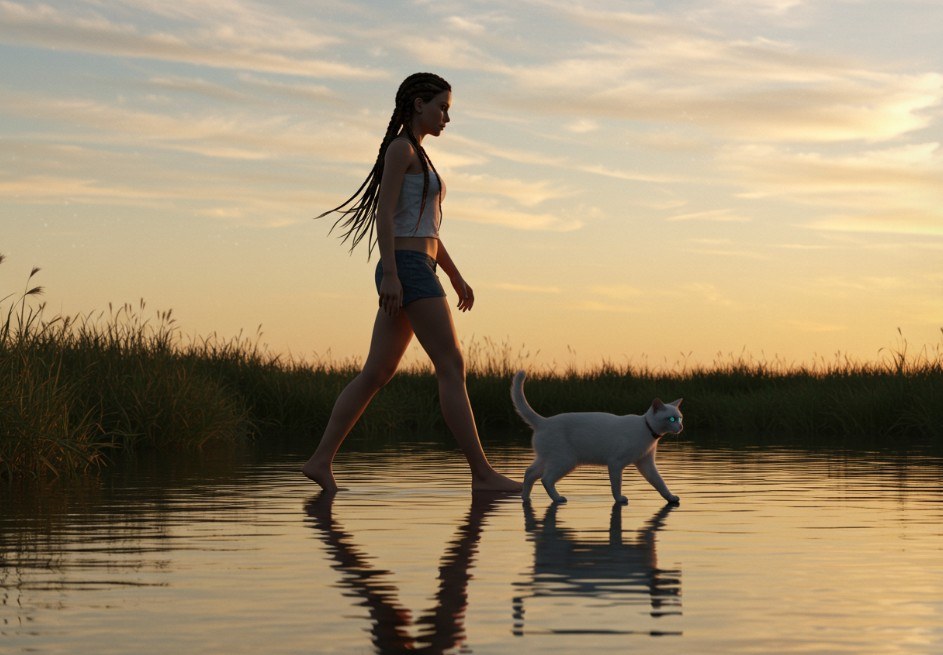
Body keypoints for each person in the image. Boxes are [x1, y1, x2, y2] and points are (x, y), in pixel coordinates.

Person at [302, 72, 521, 494]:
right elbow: (385, 216)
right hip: (406, 267)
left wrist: (455, 275)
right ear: (418, 104)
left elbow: (428, 231)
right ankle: (482, 475)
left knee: (377, 372)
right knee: (452, 365)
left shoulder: (420, 155)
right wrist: (391, 273)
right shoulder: (401, 149)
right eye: (442, 107)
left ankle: (319, 461)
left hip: (417, 264)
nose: (446, 118)